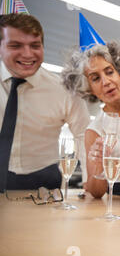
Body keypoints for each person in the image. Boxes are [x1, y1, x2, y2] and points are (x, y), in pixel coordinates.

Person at [0, 13, 90, 192]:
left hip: (44, 183)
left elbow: (83, 136)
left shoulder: (65, 89)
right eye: (15, 45)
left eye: (35, 45)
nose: (27, 54)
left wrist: (88, 183)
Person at [62, 40, 120, 200]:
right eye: (95, 78)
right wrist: (97, 164)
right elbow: (95, 192)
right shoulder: (95, 130)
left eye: (109, 72)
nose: (106, 82)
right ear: (89, 89)